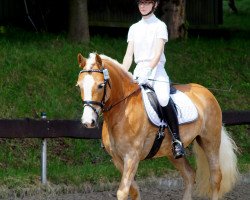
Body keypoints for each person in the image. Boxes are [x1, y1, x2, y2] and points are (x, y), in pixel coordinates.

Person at [122, 0, 185, 159]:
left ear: (154, 4)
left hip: (157, 71)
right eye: (140, 3)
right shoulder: (134, 28)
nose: (142, 6)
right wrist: (122, 72)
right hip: (138, 70)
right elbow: (129, 55)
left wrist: (148, 71)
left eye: (147, 2)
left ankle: (177, 140)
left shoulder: (160, 26)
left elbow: (157, 54)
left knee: (163, 99)